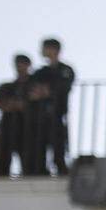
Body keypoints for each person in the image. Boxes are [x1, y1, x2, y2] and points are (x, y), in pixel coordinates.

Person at [27, 38, 74, 176]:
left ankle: (61, 170)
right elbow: (31, 92)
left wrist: (46, 91)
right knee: (39, 146)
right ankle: (40, 171)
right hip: (40, 115)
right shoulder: (40, 72)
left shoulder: (65, 70)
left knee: (58, 146)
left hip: (57, 114)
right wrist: (45, 91)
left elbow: (61, 89)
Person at [0, 55, 33, 177]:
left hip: (27, 128)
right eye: (18, 64)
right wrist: (8, 105)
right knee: (3, 157)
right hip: (8, 126)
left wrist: (21, 105)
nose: (20, 67)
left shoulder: (33, 85)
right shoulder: (7, 87)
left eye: (23, 64)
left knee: (28, 160)